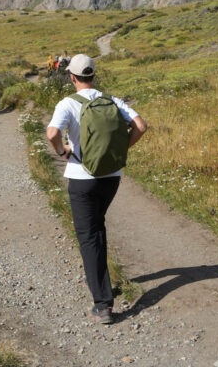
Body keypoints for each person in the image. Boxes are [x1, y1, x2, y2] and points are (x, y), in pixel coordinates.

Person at [46, 54, 147, 324]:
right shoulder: (112, 100)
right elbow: (140, 126)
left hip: (82, 177)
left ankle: (103, 304)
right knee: (97, 226)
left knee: (89, 235)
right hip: (111, 176)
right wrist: (119, 151)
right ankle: (99, 276)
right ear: (93, 75)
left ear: (72, 77)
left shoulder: (68, 103)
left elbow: (53, 133)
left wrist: (62, 152)